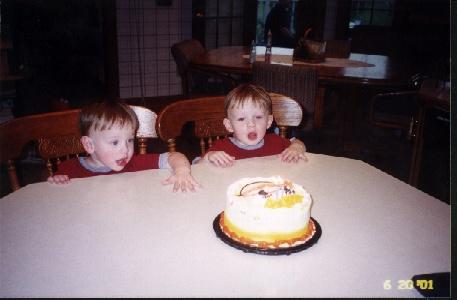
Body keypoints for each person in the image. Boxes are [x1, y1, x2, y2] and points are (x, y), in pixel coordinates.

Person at [47, 100, 200, 192]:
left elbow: (174, 156)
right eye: (114, 142)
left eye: (129, 140)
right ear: (89, 144)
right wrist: (56, 181)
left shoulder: (133, 163)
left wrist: (182, 171)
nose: (125, 150)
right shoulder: (69, 170)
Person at [199, 83, 307, 167]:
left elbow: (296, 142)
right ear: (229, 125)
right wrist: (209, 157)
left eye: (258, 117)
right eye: (241, 119)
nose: (251, 124)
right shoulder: (221, 148)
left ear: (269, 121)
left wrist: (297, 147)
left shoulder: (275, 142)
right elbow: (198, 165)